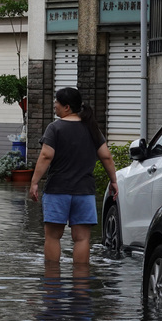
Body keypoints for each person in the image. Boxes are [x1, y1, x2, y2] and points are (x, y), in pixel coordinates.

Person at [29, 87, 119, 264]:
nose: (54, 105)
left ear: (67, 107)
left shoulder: (55, 128)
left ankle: (52, 281)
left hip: (57, 190)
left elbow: (46, 156)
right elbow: (106, 156)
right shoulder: (92, 128)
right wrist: (114, 180)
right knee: (82, 238)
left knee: (53, 237)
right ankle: (81, 284)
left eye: (57, 102)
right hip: (84, 192)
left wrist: (34, 182)